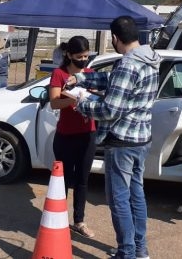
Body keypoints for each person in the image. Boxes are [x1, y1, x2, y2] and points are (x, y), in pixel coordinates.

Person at [68, 16, 160, 259]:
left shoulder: (129, 64)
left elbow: (110, 110)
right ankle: (140, 251)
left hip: (122, 141)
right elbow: (113, 79)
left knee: (119, 200)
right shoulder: (149, 57)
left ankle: (126, 253)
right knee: (136, 195)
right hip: (142, 137)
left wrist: (81, 103)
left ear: (116, 39)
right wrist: (82, 77)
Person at [48, 36, 97, 238]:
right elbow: (53, 103)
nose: (83, 60)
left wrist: (90, 95)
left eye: (86, 56)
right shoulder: (59, 74)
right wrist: (72, 99)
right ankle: (58, 219)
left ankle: (79, 221)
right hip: (66, 135)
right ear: (68, 55)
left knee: (83, 180)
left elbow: (96, 96)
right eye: (79, 56)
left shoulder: (90, 73)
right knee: (64, 180)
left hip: (88, 133)